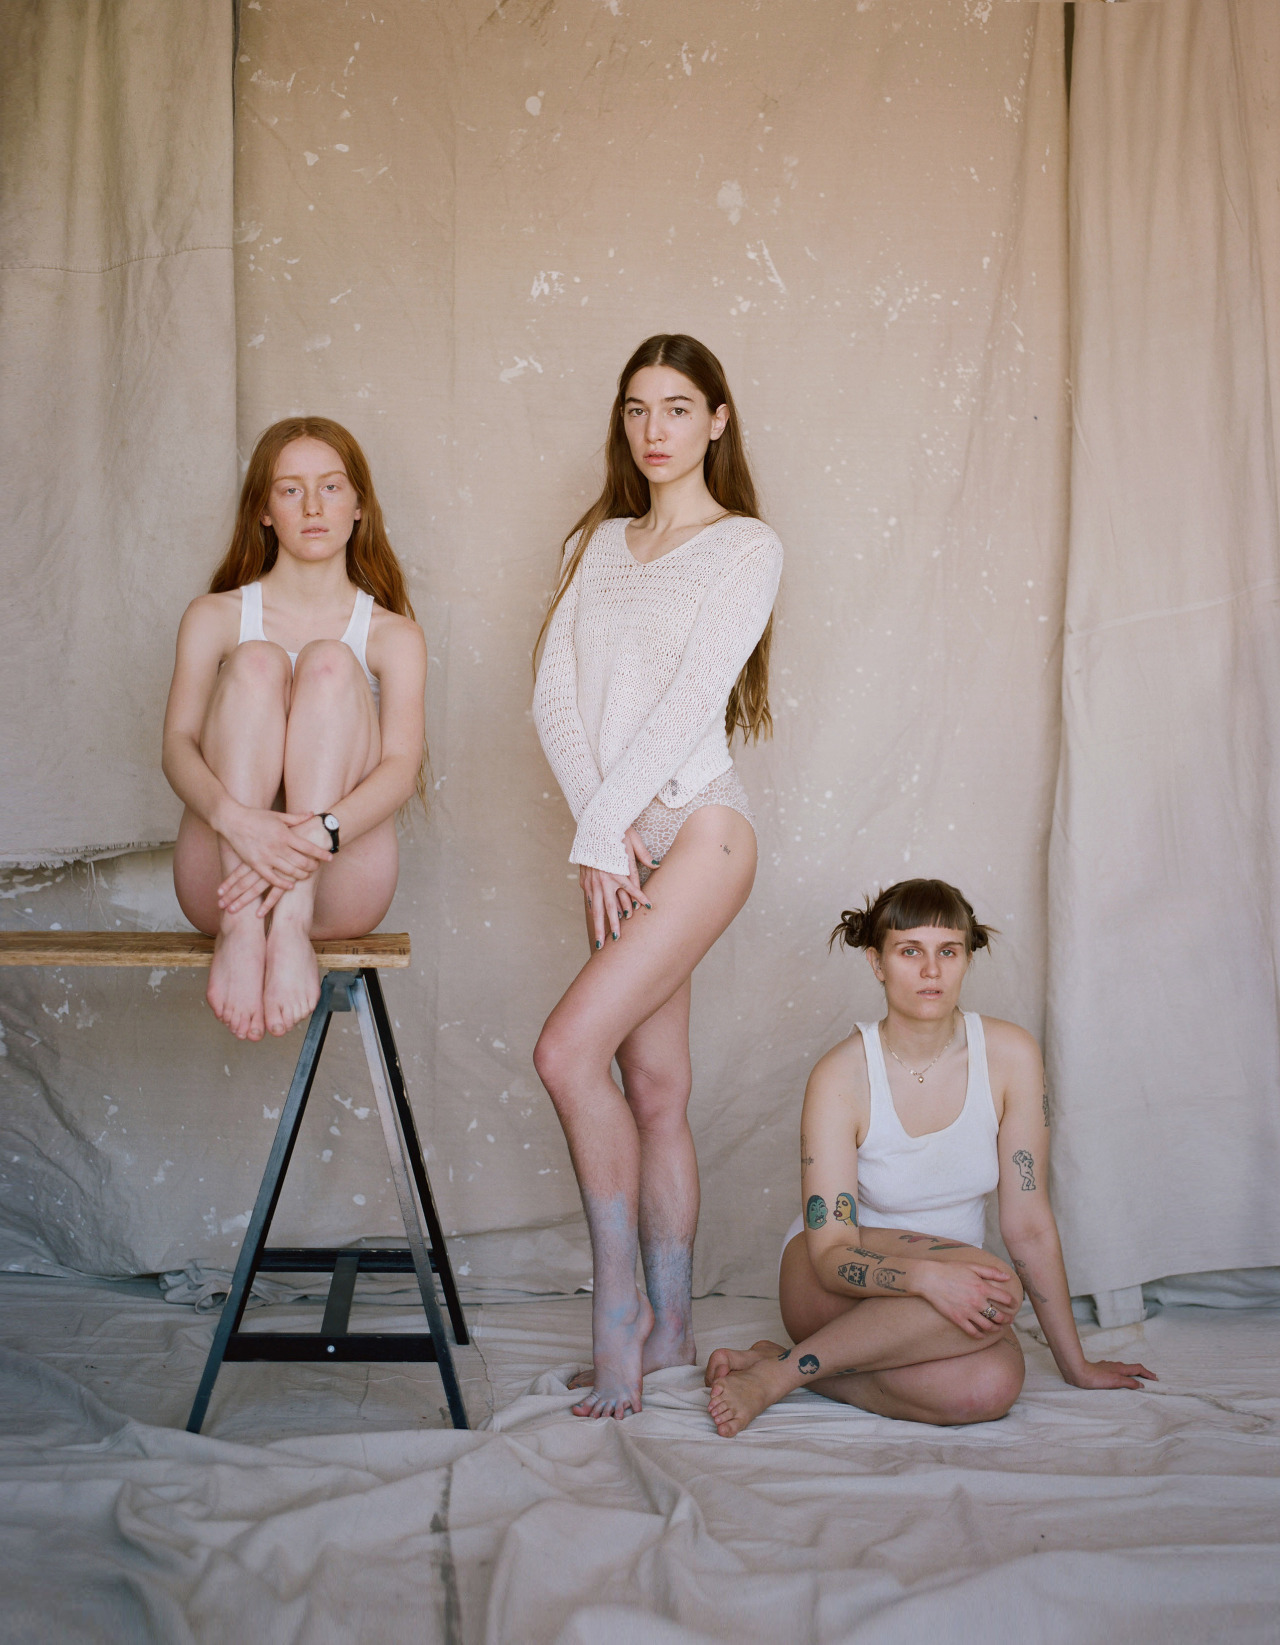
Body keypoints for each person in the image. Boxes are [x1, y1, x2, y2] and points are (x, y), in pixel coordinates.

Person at [532, 334, 783, 1419]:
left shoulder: (745, 547)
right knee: (655, 1088)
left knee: (565, 1050)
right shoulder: (595, 543)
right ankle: (674, 1330)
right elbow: (551, 696)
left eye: (678, 407)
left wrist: (607, 827)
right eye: (637, 407)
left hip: (702, 829)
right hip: (620, 841)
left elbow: (693, 698)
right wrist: (603, 828)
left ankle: (620, 1312)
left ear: (716, 421)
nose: (654, 429)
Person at [705, 878, 1155, 1434]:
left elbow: (1029, 1225)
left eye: (948, 951)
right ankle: (778, 1378)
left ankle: (779, 1363)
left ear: (967, 959)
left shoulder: (1011, 1056)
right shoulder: (840, 1075)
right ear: (877, 963)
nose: (931, 970)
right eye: (909, 951)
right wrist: (923, 1279)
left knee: (989, 1388)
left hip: (950, 1291)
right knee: (996, 1287)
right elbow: (830, 1253)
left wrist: (1076, 1365)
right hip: (829, 1281)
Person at [162, 417, 427, 1042]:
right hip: (224, 885)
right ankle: (243, 930)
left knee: (330, 661)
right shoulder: (213, 616)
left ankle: (291, 919)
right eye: (290, 490)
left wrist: (314, 837)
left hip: (340, 882)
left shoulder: (394, 635)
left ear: (358, 505)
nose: (313, 507)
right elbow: (176, 747)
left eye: (331, 487)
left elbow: (400, 770)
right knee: (257, 661)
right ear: (263, 509)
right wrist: (239, 822)